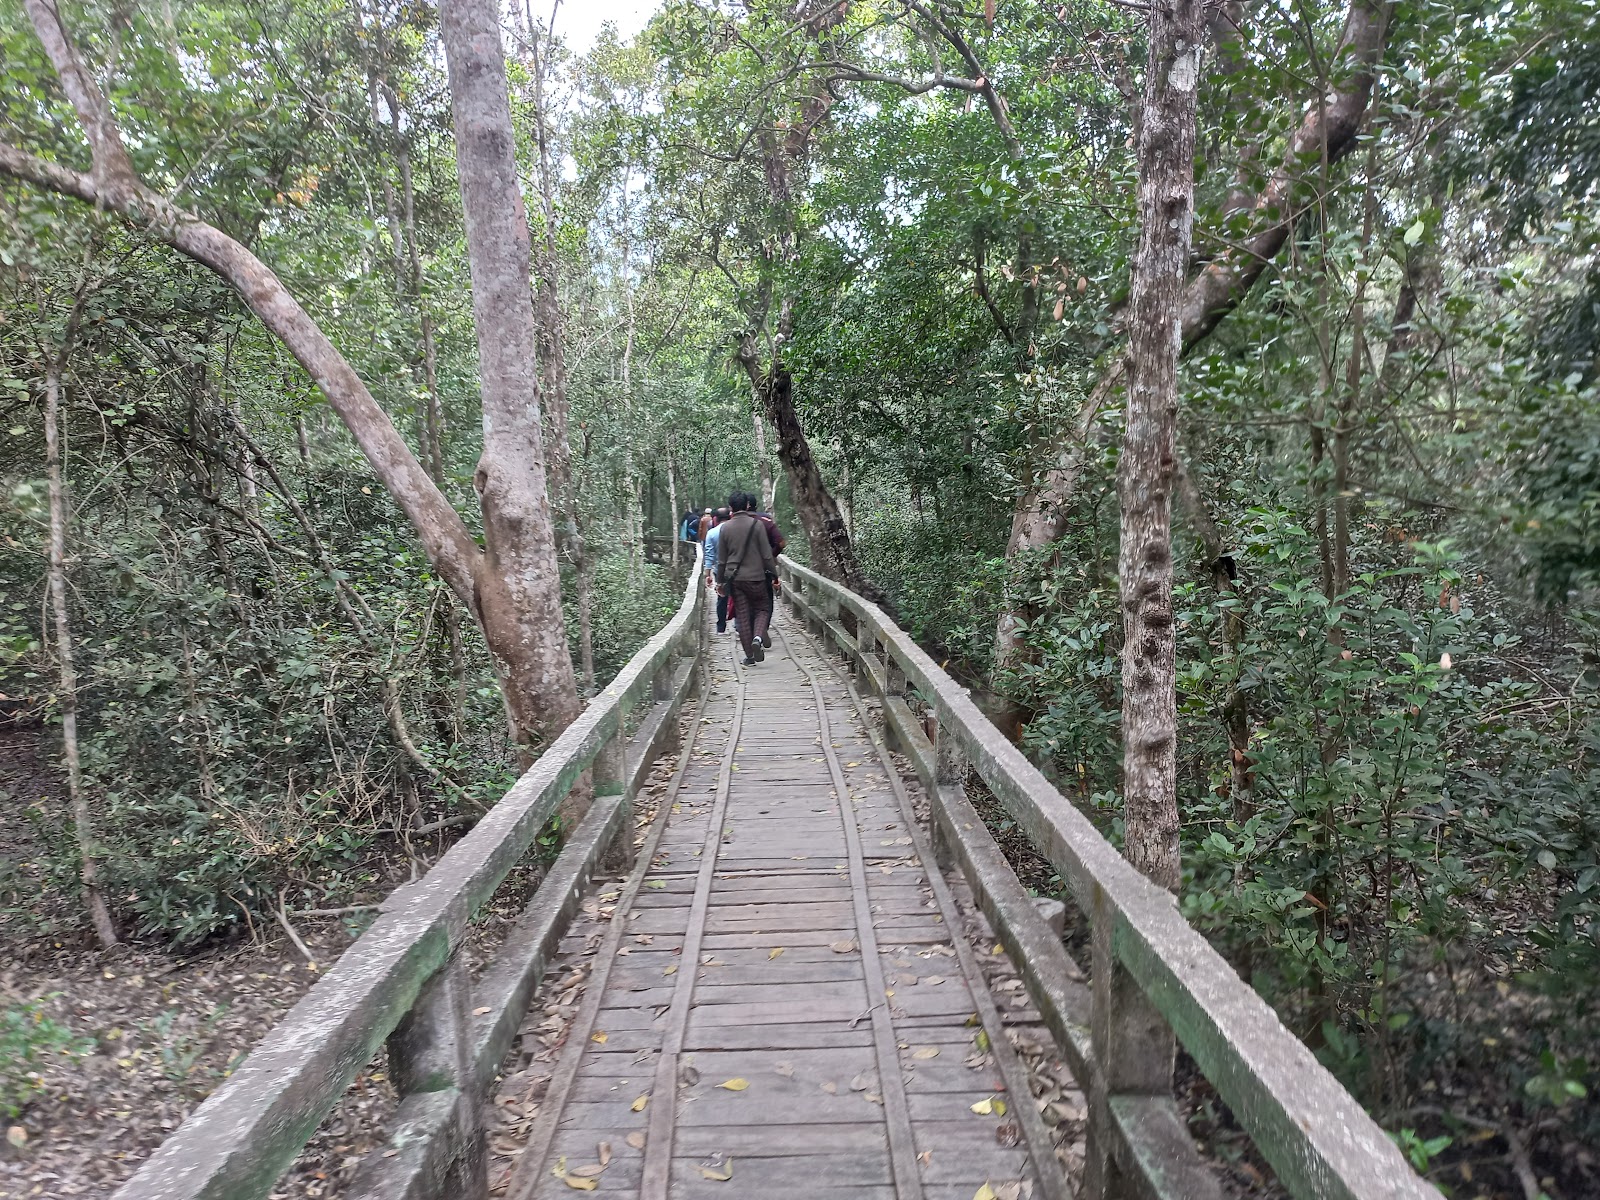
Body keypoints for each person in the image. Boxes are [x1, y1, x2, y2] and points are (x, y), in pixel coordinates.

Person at [715, 492, 777, 665]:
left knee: (742, 614)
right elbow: (766, 555)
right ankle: (758, 637)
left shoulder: (725, 528)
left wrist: (720, 582)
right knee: (762, 609)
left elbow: (721, 560)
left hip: (735, 579)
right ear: (747, 506)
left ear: (731, 508)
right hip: (756, 577)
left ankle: (749, 656)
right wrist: (774, 575)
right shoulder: (756, 525)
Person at [702, 506, 732, 633]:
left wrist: (707, 574)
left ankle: (721, 626)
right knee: (738, 597)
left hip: (719, 570)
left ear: (716, 519)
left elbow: (709, 555)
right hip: (737, 569)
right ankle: (739, 624)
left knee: (722, 598)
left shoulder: (712, 533)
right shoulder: (735, 531)